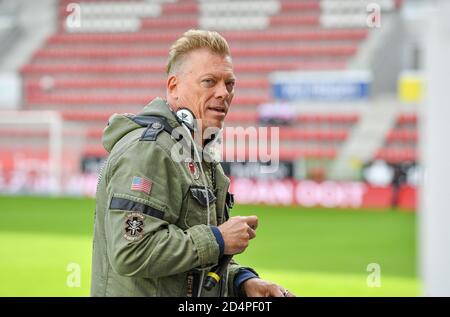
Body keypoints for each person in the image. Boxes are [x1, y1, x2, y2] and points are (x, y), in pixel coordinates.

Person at [91, 29, 294, 297]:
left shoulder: (196, 152)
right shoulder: (148, 150)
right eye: (209, 82)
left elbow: (189, 264)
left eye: (229, 84)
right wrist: (219, 239)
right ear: (173, 86)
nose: (223, 93)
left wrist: (240, 282)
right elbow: (132, 251)